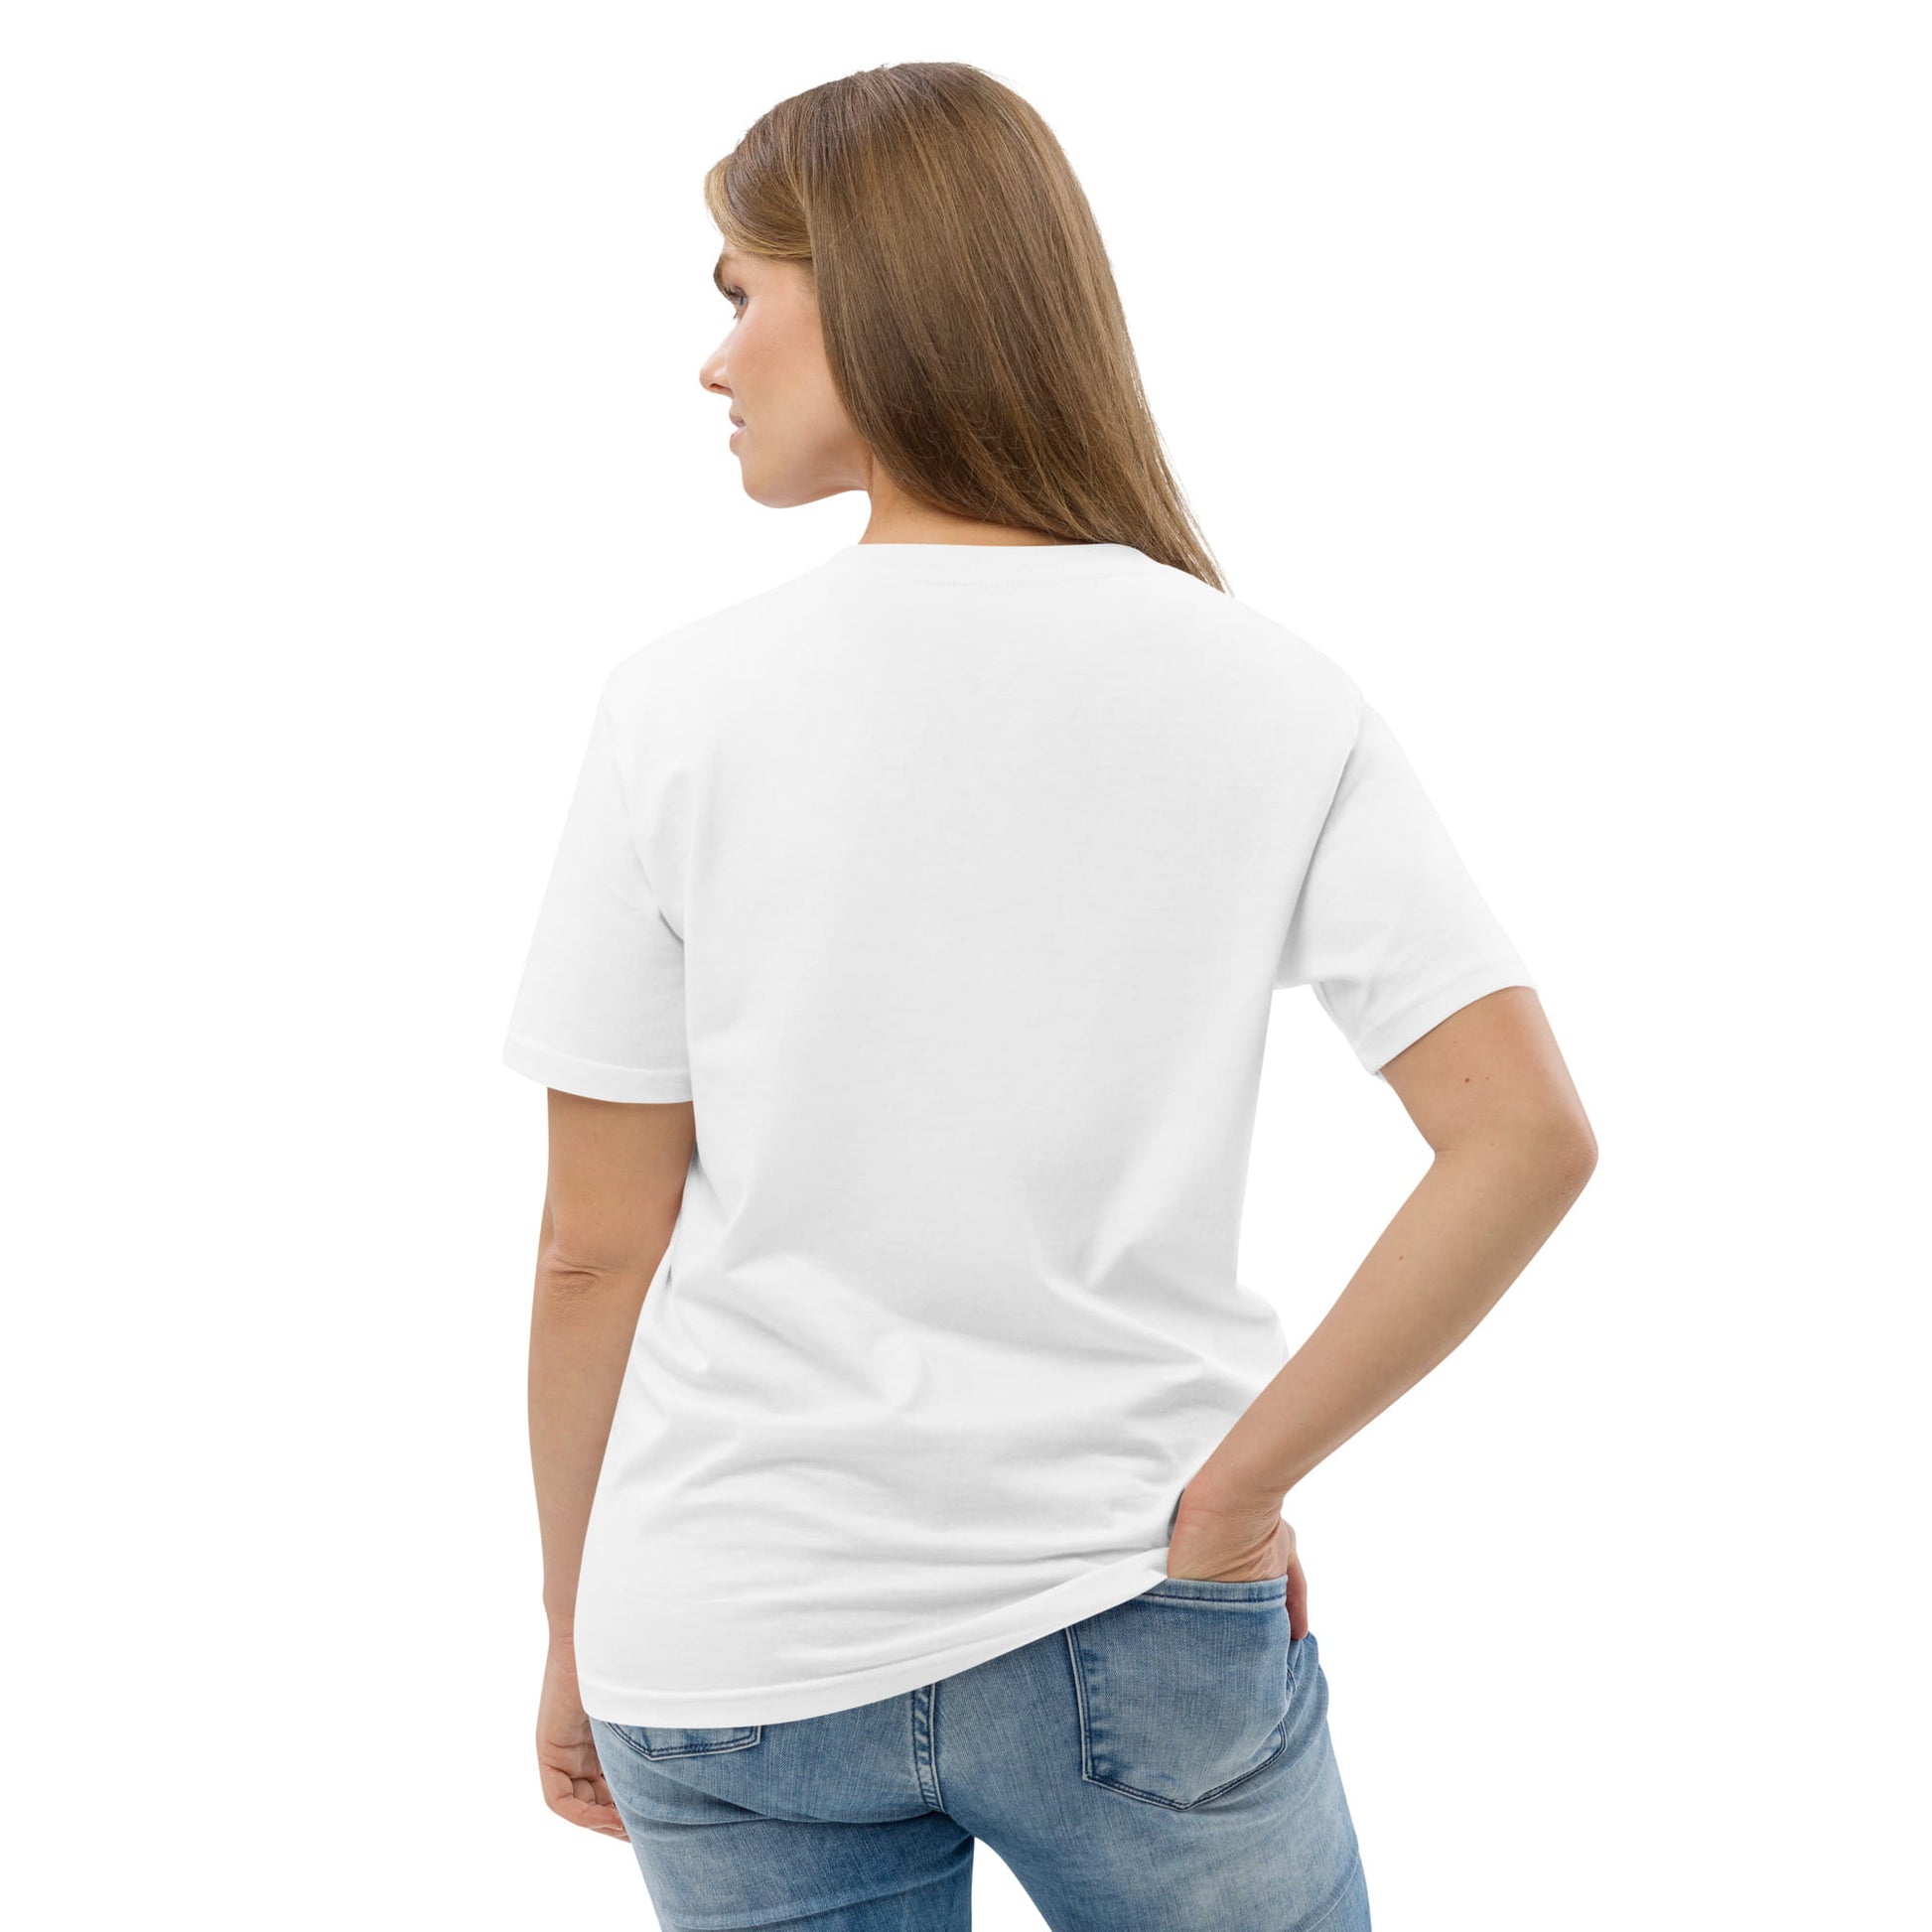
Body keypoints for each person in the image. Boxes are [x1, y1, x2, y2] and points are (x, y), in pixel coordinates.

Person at [502, 61, 1595, 1932]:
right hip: (1137, 1616)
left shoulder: (678, 711)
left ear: (872, 291)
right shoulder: (1261, 691)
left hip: (734, 1634)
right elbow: (1519, 1135)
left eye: (736, 292)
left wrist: (570, 1623)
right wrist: (1238, 1496)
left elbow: (595, 1250)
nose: (712, 360)